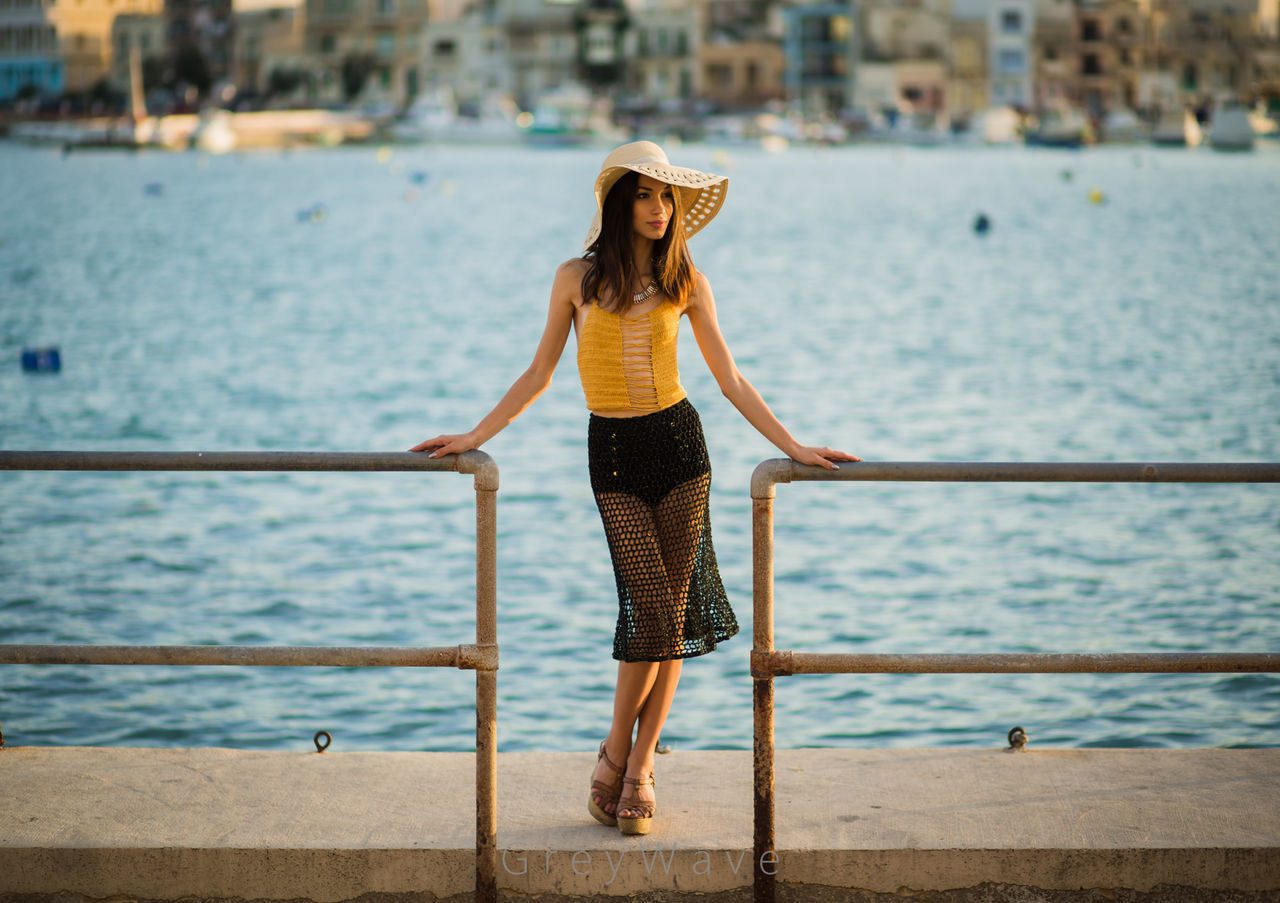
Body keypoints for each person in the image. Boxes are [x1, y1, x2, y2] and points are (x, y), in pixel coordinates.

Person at [411, 141, 858, 836]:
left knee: (669, 617)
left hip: (681, 448)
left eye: (667, 198)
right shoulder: (574, 279)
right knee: (647, 609)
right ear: (620, 204)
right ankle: (618, 750)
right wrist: (473, 435)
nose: (658, 209)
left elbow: (732, 379)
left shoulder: (688, 283)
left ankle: (637, 764)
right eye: (646, 196)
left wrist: (794, 447)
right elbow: (538, 375)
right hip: (614, 455)